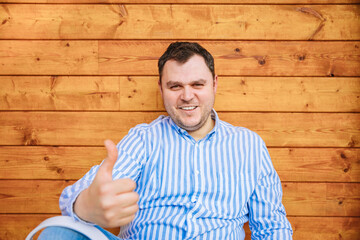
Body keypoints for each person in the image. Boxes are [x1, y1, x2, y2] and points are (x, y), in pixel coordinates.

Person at [38, 42, 293, 239]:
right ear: (161, 89)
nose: (187, 96)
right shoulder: (144, 139)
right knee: (58, 234)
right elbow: (75, 197)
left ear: (214, 85)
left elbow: (272, 228)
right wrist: (86, 206)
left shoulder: (249, 145)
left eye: (197, 84)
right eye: (175, 86)